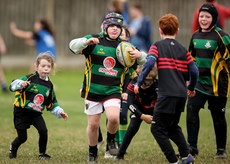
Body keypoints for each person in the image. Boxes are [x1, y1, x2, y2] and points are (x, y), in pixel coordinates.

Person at [69, 12, 146, 163]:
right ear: (105, 26)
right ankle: (92, 153)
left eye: (118, 26)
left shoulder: (125, 46)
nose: (115, 29)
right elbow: (72, 47)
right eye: (111, 26)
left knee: (113, 118)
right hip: (93, 90)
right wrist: (86, 42)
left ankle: (111, 139)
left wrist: (139, 55)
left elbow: (145, 60)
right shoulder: (94, 40)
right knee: (93, 125)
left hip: (113, 90)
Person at [134, 13, 199, 164]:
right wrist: (192, 87)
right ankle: (186, 156)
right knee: (172, 126)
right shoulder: (183, 49)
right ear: (176, 31)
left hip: (166, 95)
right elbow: (194, 70)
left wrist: (139, 82)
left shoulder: (156, 46)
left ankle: (173, 161)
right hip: (181, 95)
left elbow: (149, 64)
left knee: (157, 129)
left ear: (160, 31)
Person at [187, 4, 230, 159]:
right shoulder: (195, 36)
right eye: (201, 16)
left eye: (207, 17)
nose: (203, 19)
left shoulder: (222, 36)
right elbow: (190, 59)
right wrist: (188, 79)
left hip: (218, 85)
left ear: (214, 19)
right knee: (191, 112)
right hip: (198, 84)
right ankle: (191, 147)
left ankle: (221, 149)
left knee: (218, 117)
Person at [8, 52, 68, 160]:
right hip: (21, 112)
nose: (46, 68)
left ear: (52, 68)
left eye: (49, 66)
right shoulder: (29, 78)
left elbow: (51, 102)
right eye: (43, 66)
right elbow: (12, 86)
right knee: (22, 138)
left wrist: (59, 112)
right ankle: (13, 147)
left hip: (36, 113)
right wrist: (20, 84)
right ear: (36, 67)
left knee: (43, 131)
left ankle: (42, 154)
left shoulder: (49, 85)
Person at [115, 65, 158, 161]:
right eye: (141, 79)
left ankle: (181, 153)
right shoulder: (134, 83)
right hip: (139, 109)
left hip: (154, 110)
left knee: (162, 130)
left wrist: (157, 116)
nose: (143, 84)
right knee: (132, 128)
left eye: (148, 81)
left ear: (154, 80)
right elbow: (130, 104)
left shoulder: (158, 85)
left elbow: (163, 104)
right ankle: (120, 154)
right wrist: (142, 116)